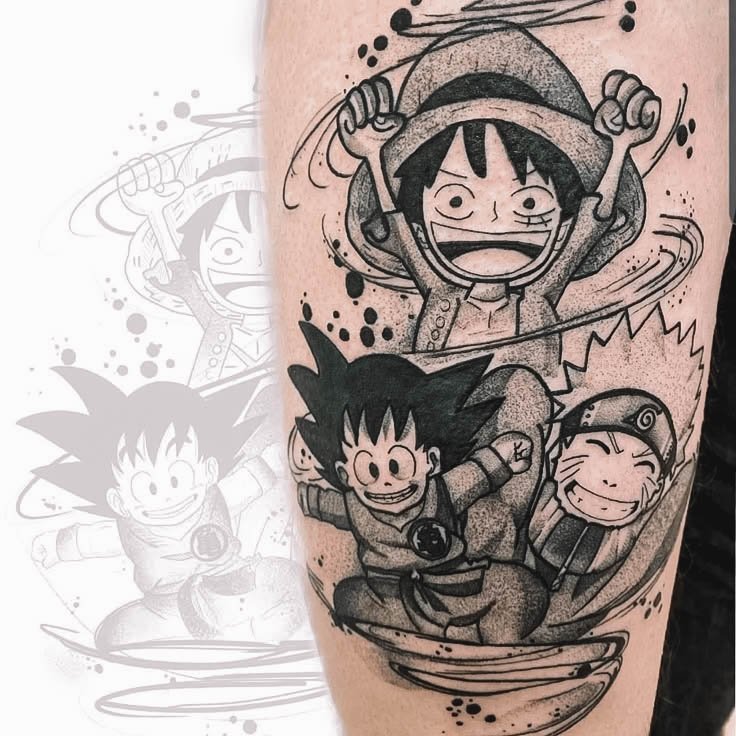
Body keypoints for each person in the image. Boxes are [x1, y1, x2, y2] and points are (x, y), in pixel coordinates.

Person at [263, 4, 729, 735]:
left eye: (531, 203)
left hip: (517, 469)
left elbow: (593, 223)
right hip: (440, 452)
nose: (492, 223)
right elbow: (393, 226)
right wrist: (375, 156)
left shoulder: (540, 294)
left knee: (522, 409)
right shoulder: (438, 288)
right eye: (455, 200)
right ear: (423, 212)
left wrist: (618, 150)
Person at [289, 323, 548, 643]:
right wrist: (300, 495)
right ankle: (444, 634)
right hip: (391, 598)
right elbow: (317, 501)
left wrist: (505, 457)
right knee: (348, 596)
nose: (386, 482)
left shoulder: (442, 492)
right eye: (369, 470)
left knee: (520, 589)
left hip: (459, 588)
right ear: (346, 476)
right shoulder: (353, 507)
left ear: (431, 462)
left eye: (397, 465)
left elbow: (478, 473)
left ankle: (486, 643)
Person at [21, 368, 304, 648]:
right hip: (168, 609)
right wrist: (57, 546)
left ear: (208, 471)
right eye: (148, 487)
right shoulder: (130, 531)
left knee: (291, 579)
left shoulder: (216, 498)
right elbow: (92, 540)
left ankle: (263, 634)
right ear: (120, 501)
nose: (168, 497)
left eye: (177, 478)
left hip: (236, 585)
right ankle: (175, 645)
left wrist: (276, 460)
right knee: (114, 632)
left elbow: (249, 481)